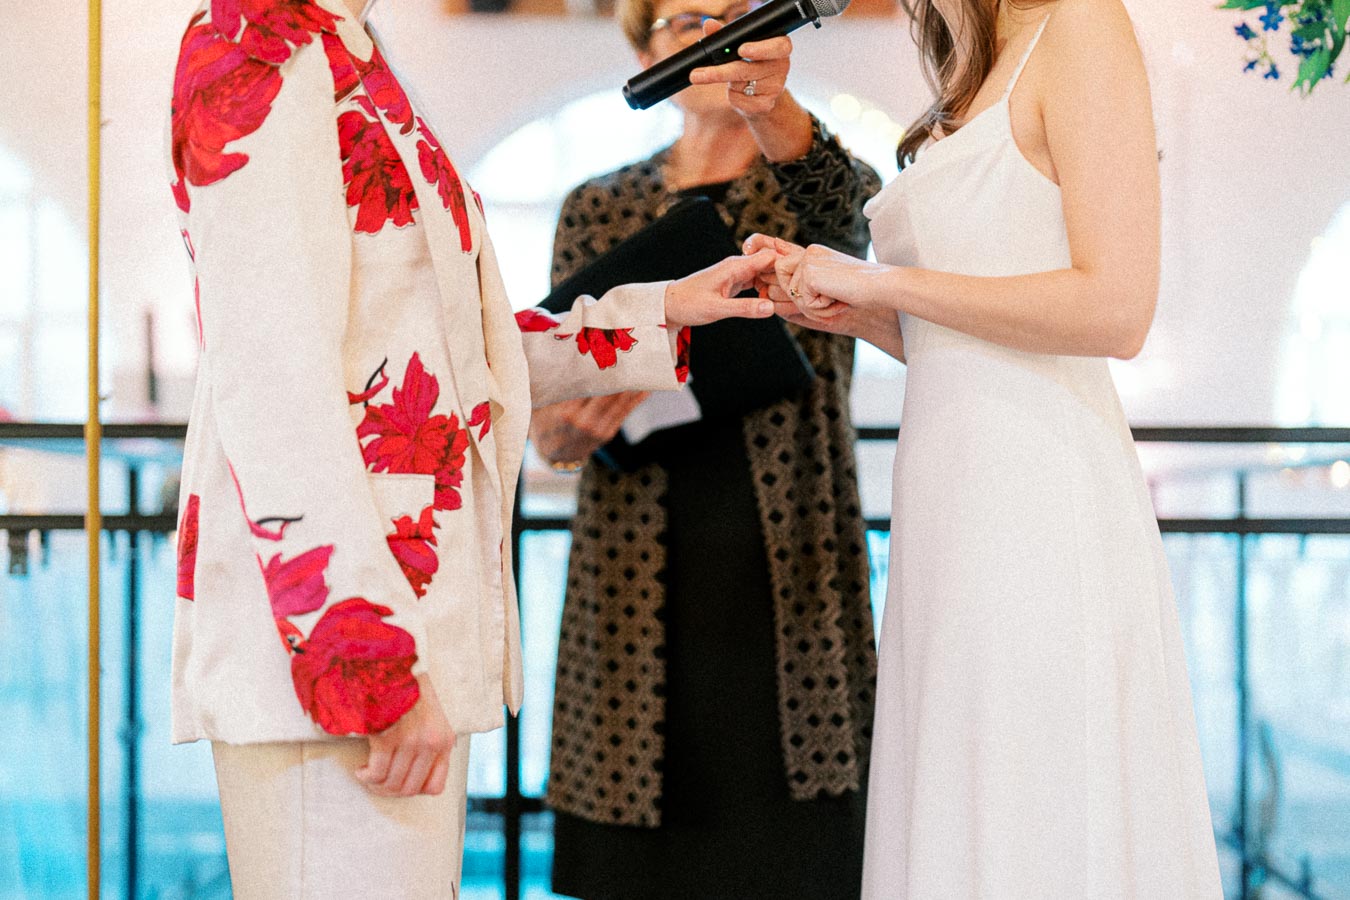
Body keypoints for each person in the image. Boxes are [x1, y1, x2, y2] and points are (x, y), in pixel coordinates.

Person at [165, 0, 779, 895]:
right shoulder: (252, 42)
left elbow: (445, 357)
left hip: (407, 630)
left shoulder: (353, 51)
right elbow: (271, 384)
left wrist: (661, 310)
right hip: (339, 661)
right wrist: (370, 667)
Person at [752, 0, 1224, 895]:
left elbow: (1116, 308)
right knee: (961, 792)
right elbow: (966, 336)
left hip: (1038, 498)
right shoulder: (973, 66)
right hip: (950, 504)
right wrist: (854, 311)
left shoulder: (1080, 24)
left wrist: (879, 281)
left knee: (1035, 797)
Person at [530, 2, 881, 897]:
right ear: (645, 45)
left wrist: (775, 110)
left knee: (795, 858)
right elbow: (551, 405)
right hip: (636, 571)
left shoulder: (804, 187)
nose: (710, 38)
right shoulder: (598, 207)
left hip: (790, 566)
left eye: (732, 18)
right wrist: (563, 434)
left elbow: (849, 213)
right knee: (640, 862)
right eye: (686, 19)